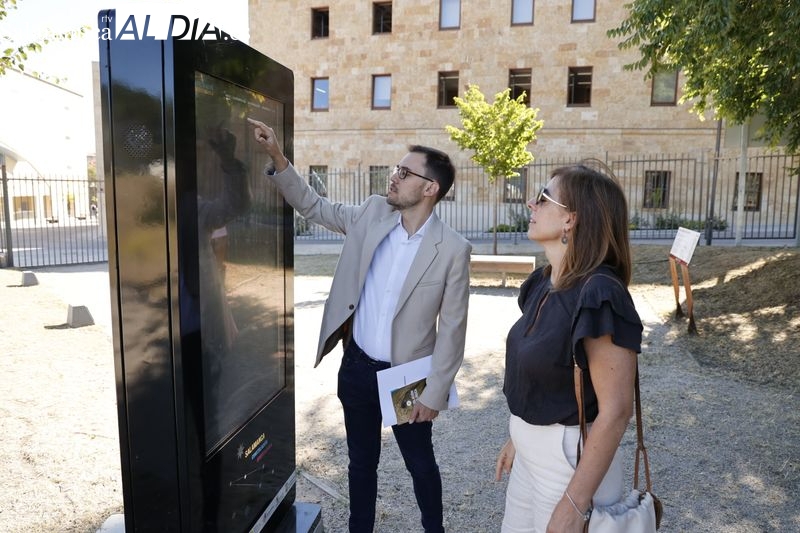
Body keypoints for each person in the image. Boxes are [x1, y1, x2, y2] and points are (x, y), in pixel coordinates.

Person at [247, 117, 471, 533]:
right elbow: (314, 206)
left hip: (407, 378)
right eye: (395, 169)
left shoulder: (453, 250)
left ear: (430, 188)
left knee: (421, 465)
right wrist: (277, 157)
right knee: (360, 463)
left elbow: (454, 329)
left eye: (405, 173)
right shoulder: (372, 212)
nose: (394, 177)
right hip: (357, 367)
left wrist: (435, 393)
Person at [494, 161, 643, 533]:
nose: (531, 203)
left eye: (543, 198)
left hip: (569, 462)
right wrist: (519, 436)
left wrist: (575, 504)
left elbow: (616, 411)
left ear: (570, 220)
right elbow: (543, 377)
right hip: (531, 456)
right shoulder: (542, 283)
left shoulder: (599, 293)